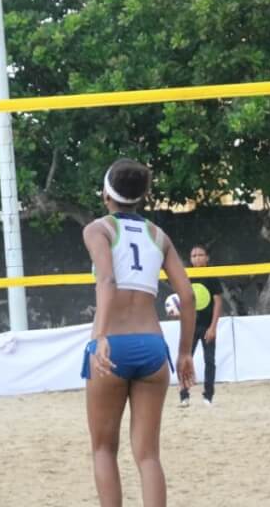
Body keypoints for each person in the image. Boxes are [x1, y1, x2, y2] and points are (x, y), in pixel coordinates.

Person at [81, 158, 196, 507]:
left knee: (103, 449)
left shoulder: (98, 229)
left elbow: (107, 280)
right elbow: (188, 296)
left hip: (113, 343)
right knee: (148, 456)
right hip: (152, 345)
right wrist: (185, 352)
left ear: (106, 194)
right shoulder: (159, 236)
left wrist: (98, 338)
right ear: (143, 196)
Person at [179, 244, 223, 407]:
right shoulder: (186, 276)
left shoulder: (211, 276)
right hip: (189, 327)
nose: (197, 258)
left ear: (207, 257)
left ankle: (208, 396)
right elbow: (182, 301)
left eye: (200, 255)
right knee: (184, 359)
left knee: (209, 361)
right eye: (194, 255)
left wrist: (213, 327)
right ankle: (184, 396)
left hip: (206, 326)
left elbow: (218, 302)